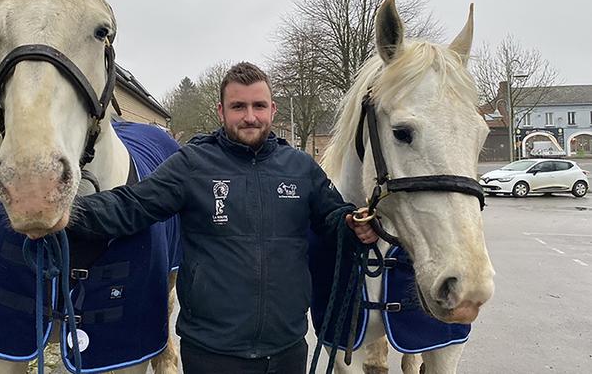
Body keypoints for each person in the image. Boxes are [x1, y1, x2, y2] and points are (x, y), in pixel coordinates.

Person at [69, 62, 377, 374]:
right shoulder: (192, 164)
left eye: (259, 106)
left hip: (287, 349)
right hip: (212, 353)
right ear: (221, 111)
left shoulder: (301, 168)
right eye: (238, 106)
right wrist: (67, 213)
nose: (250, 116)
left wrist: (353, 226)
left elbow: (334, 220)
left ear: (273, 109)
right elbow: (131, 205)